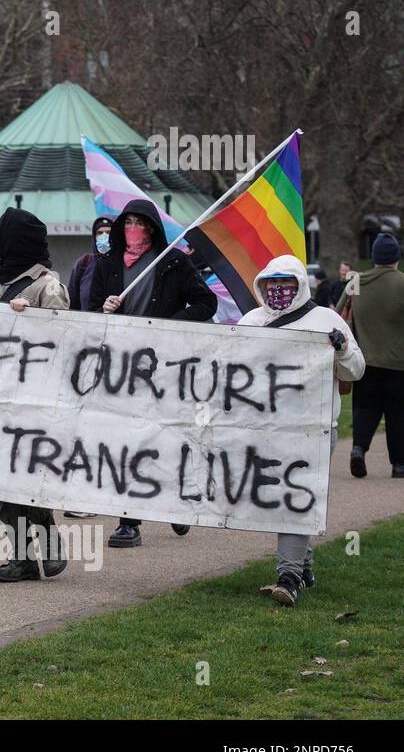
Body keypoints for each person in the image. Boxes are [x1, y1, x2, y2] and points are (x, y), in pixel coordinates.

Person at [88, 199, 217, 547]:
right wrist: (105, 309)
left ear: (153, 228)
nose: (133, 228)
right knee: (127, 440)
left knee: (166, 436)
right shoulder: (107, 263)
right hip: (123, 366)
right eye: (127, 221)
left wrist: (172, 326)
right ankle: (128, 521)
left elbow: (207, 303)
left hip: (165, 366)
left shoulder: (173, 261)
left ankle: (175, 503)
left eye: (140, 222)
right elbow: (88, 313)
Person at [236, 256, 363, 605]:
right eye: (271, 283)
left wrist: (342, 348)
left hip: (313, 429)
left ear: (300, 285)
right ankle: (304, 565)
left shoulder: (326, 320)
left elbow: (356, 370)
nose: (278, 290)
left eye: (286, 283)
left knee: (297, 494)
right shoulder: (252, 321)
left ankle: (288, 576)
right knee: (282, 495)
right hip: (266, 427)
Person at [0, 208, 71, 582]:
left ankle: (50, 542)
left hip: (34, 400)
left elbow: (62, 337)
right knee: (2, 478)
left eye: (1, 236)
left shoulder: (48, 286)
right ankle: (22, 558)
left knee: (27, 476)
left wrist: (32, 318)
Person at [341, 233, 404, 479]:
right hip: (399, 364)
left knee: (364, 409)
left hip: (365, 362)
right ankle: (399, 465)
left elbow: (338, 313)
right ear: (396, 257)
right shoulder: (402, 283)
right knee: (398, 415)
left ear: (374, 257)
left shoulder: (356, 281)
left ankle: (358, 448)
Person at [67, 216, 114, 312]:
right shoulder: (84, 263)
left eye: (109, 232)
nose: (104, 236)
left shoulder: (120, 264)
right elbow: (72, 300)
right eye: (100, 233)